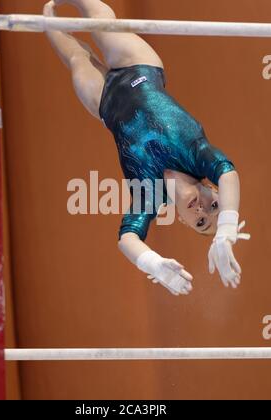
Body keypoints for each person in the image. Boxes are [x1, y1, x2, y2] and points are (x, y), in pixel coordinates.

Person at [44, 0, 250, 297]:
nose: (202, 210)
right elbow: (229, 172)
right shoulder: (197, 156)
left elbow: (127, 237)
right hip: (139, 67)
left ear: (182, 220)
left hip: (105, 104)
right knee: (103, 25)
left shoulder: (150, 196)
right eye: (214, 206)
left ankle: (46, 15)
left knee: (77, 58)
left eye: (202, 222)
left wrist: (152, 263)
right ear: (213, 190)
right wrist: (226, 230)